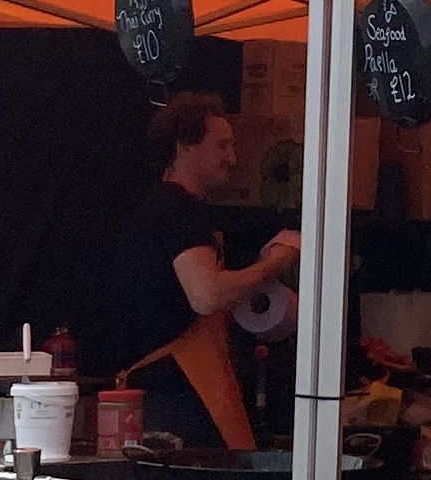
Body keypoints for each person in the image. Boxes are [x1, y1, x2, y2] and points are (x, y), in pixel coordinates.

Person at [89, 93, 298, 448]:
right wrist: (278, 260)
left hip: (160, 395)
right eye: (222, 146)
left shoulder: (160, 209)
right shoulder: (177, 209)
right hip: (177, 400)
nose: (232, 158)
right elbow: (207, 295)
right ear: (185, 147)